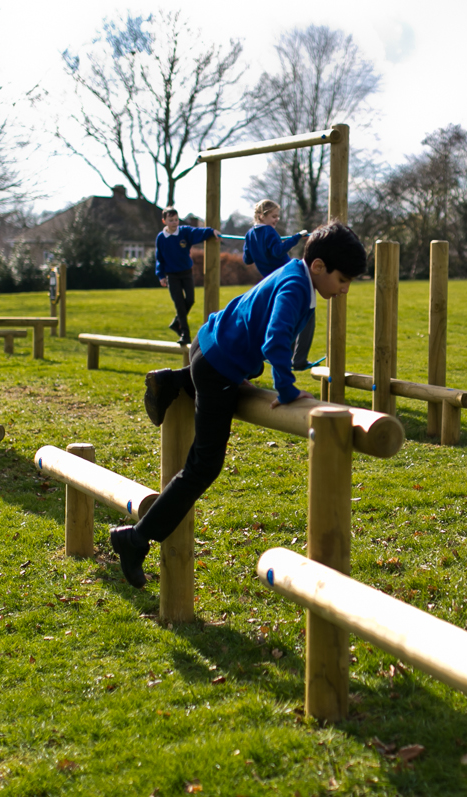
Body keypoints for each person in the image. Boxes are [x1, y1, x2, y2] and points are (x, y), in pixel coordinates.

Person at [108, 221, 368, 588]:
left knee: (210, 393)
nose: (344, 290)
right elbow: (276, 341)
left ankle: (173, 381)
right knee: (203, 467)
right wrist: (288, 391)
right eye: (344, 280)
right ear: (320, 267)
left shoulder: (293, 273)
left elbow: (255, 320)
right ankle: (134, 540)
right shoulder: (296, 285)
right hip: (217, 368)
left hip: (208, 343)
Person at [241, 200, 318, 369]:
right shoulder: (269, 231)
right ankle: (299, 359)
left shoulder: (249, 234)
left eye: (277, 216)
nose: (276, 220)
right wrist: (297, 237)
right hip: (288, 275)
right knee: (308, 311)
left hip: (272, 280)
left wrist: (254, 246)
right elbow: (277, 251)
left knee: (289, 314)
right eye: (273, 216)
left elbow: (247, 259)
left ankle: (285, 356)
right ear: (262, 215)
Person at [156, 208, 218, 345]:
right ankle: (185, 334)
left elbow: (197, 232)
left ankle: (176, 322)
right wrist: (161, 275)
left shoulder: (183, 232)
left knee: (190, 300)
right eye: (171, 220)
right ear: (164, 221)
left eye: (176, 219)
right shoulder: (161, 238)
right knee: (179, 304)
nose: (174, 223)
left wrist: (211, 231)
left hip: (186, 273)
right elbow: (159, 258)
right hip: (172, 276)